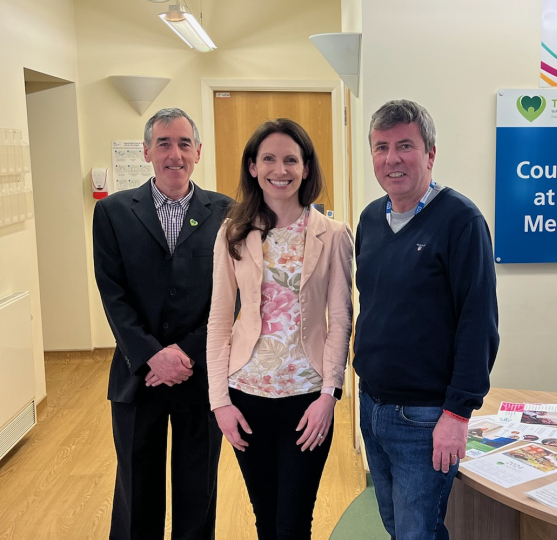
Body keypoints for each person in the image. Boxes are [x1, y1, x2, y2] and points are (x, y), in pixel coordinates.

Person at [354, 99, 499, 540]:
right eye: (381, 147)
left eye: (405, 146)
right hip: (372, 407)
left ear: (430, 154)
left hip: (424, 417)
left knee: (419, 533)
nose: (391, 159)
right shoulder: (370, 219)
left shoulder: (461, 221)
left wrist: (457, 413)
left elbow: (479, 323)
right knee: (397, 528)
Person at [206, 119, 353, 539]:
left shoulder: (333, 234)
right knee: (265, 518)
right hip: (246, 395)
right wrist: (220, 402)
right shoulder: (233, 232)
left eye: (292, 159)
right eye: (268, 158)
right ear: (252, 167)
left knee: (293, 522)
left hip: (307, 400)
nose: (280, 169)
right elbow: (219, 322)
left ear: (306, 168)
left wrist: (330, 393)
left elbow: (341, 319)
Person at [93, 108, 232, 539]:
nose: (175, 154)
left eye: (184, 143)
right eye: (165, 143)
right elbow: (112, 293)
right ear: (147, 151)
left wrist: (185, 352)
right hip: (140, 376)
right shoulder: (114, 212)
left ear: (199, 152)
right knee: (137, 488)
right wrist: (153, 355)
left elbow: (232, 296)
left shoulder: (228, 212)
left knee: (198, 489)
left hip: (200, 373)